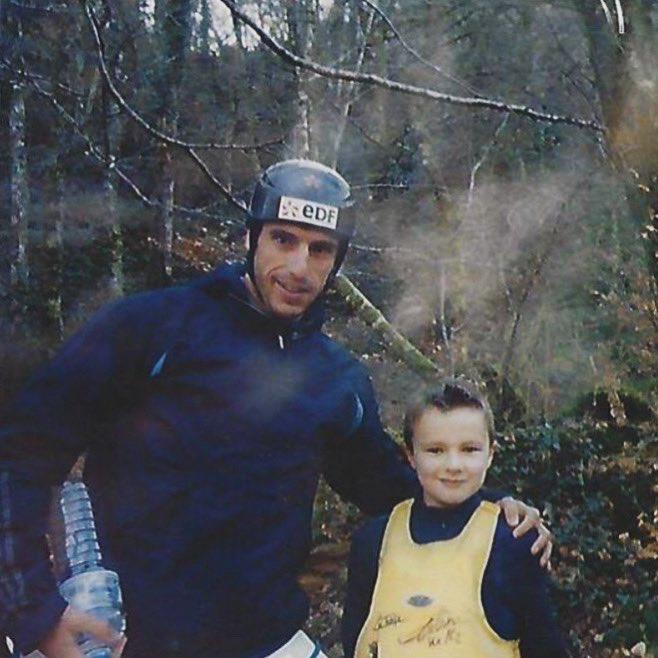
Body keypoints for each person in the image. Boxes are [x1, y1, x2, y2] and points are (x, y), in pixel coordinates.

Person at [0, 160, 550, 658]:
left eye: (320, 249)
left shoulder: (338, 381)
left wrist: (495, 508)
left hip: (268, 639)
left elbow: (393, 490)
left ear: (338, 261)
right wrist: (34, 614)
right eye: (283, 239)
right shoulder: (151, 330)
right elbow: (21, 455)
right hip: (131, 640)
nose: (298, 267)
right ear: (252, 238)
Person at [342, 379, 569, 658]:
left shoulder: (513, 540)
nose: (453, 465)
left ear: (490, 454)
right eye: (435, 450)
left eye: (469, 449)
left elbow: (544, 645)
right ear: (411, 455)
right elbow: (354, 642)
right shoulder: (373, 542)